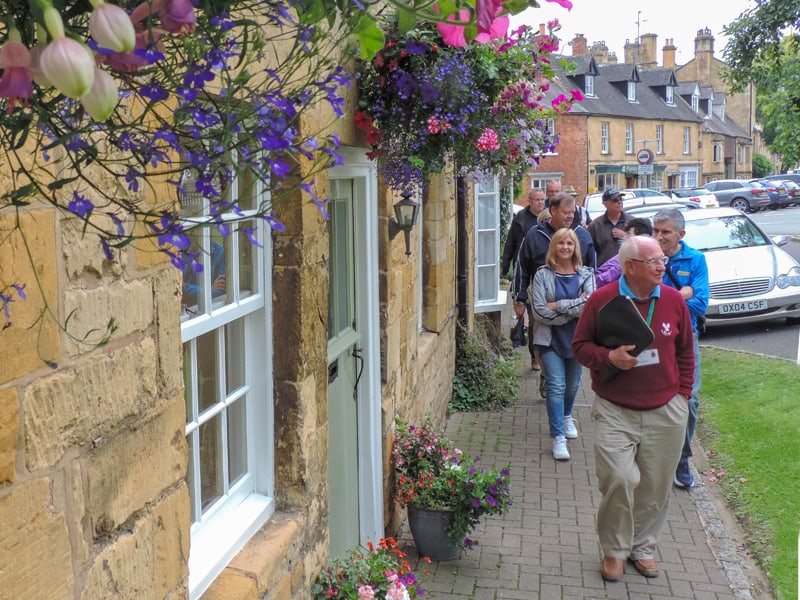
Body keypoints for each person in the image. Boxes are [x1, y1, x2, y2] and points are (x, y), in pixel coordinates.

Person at [571, 235, 694, 583]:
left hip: (666, 409)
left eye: (662, 261)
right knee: (620, 479)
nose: (661, 267)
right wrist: (608, 358)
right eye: (653, 262)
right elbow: (579, 346)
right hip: (615, 409)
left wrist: (682, 395)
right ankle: (614, 549)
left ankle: (643, 548)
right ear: (630, 267)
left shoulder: (672, 300)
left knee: (655, 486)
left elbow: (686, 350)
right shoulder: (602, 300)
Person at [513, 192, 596, 396]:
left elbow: (593, 270)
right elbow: (522, 267)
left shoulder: (582, 236)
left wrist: (587, 301)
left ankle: (559, 380)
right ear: (553, 211)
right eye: (566, 212)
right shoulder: (535, 234)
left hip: (575, 301)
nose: (570, 216)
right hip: (541, 298)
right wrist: (519, 296)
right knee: (541, 341)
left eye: (573, 212)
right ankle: (547, 374)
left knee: (570, 341)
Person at [652, 208, 709, 490]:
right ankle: (656, 454)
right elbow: (641, 297)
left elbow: (700, 304)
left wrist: (666, 299)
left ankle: (683, 459)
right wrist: (681, 293)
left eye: (665, 232)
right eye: (655, 231)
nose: (659, 237)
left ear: (680, 234)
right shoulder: (648, 256)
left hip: (687, 338)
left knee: (691, 399)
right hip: (652, 339)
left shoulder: (696, 260)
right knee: (654, 397)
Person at [530, 228, 595, 460]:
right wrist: (574, 307)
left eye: (569, 243)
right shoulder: (542, 275)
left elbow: (589, 308)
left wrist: (557, 305)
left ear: (575, 247)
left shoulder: (587, 275)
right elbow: (539, 312)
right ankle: (558, 437)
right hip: (549, 339)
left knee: (572, 385)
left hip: (578, 339)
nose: (565, 247)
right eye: (561, 243)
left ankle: (567, 416)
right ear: (554, 247)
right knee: (556, 386)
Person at [501, 188, 546, 370]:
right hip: (524, 274)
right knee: (530, 317)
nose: (540, 203)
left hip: (542, 275)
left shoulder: (548, 218)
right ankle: (533, 355)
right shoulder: (521, 218)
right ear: (530, 200)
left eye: (543, 200)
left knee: (538, 320)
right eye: (537, 200)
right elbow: (511, 242)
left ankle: (538, 355)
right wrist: (505, 267)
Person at [594, 218, 653, 288]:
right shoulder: (621, 257)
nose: (625, 238)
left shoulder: (651, 261)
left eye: (629, 235)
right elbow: (597, 278)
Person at [587, 188, 632, 267]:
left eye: (621, 199)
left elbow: (641, 246)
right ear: (605, 204)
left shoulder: (631, 222)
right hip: (605, 273)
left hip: (627, 270)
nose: (619, 202)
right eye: (615, 200)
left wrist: (626, 237)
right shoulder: (595, 225)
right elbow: (587, 251)